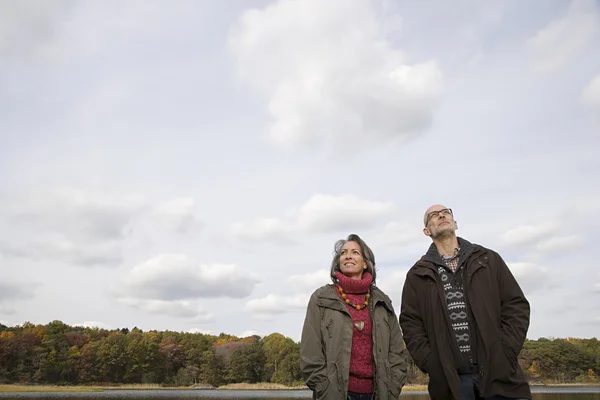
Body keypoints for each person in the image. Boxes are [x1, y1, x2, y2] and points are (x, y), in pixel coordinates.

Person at [400, 205, 531, 400]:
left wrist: (505, 352)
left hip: (499, 374)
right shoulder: (417, 274)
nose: (441, 215)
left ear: (455, 223)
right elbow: (411, 324)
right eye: (433, 216)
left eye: (445, 212)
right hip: (451, 382)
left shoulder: (488, 260)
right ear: (427, 231)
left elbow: (516, 306)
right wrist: (431, 362)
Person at [300, 234, 407, 400]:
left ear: (366, 263)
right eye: (343, 253)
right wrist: (326, 390)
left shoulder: (382, 302)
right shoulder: (321, 299)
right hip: (335, 394)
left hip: (379, 394)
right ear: (338, 262)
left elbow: (397, 352)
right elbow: (310, 353)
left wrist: (391, 389)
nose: (348, 256)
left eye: (355, 252)